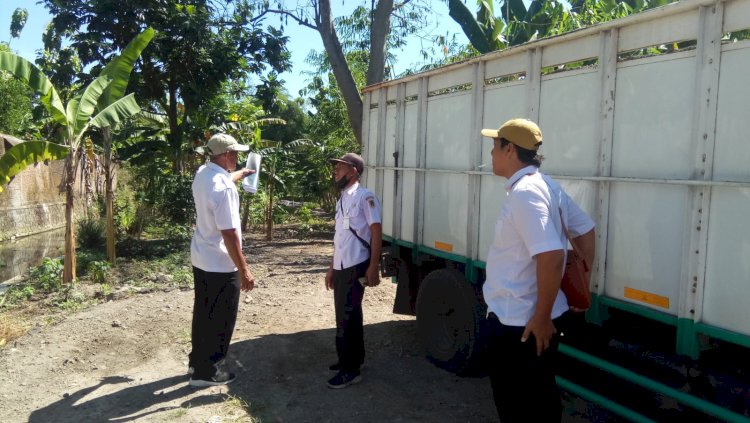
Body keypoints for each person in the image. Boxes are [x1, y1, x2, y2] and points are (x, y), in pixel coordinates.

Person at [480, 119, 596, 421]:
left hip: (519, 324)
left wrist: (541, 317)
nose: (491, 153)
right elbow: (586, 231)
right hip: (531, 318)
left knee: (520, 407)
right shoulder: (547, 186)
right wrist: (580, 284)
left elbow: (551, 256)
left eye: (495, 146)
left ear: (509, 149)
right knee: (541, 401)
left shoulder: (526, 193)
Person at [189, 133, 256, 387]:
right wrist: (244, 270)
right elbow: (229, 234)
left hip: (201, 258)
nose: (237, 157)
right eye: (235, 154)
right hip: (221, 262)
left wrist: (241, 174)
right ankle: (209, 371)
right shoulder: (224, 188)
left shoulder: (203, 173)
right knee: (222, 318)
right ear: (226, 155)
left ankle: (197, 362)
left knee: (204, 311)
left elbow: (223, 180)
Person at [324, 152, 382, 389]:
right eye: (336, 167)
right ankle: (349, 359)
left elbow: (376, 231)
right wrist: (331, 268)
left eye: (340, 167)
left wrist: (373, 266)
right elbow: (340, 238)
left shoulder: (364, 196)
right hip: (341, 266)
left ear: (354, 171)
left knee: (347, 316)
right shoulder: (341, 199)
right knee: (346, 315)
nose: (336, 171)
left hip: (356, 264)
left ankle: (351, 370)